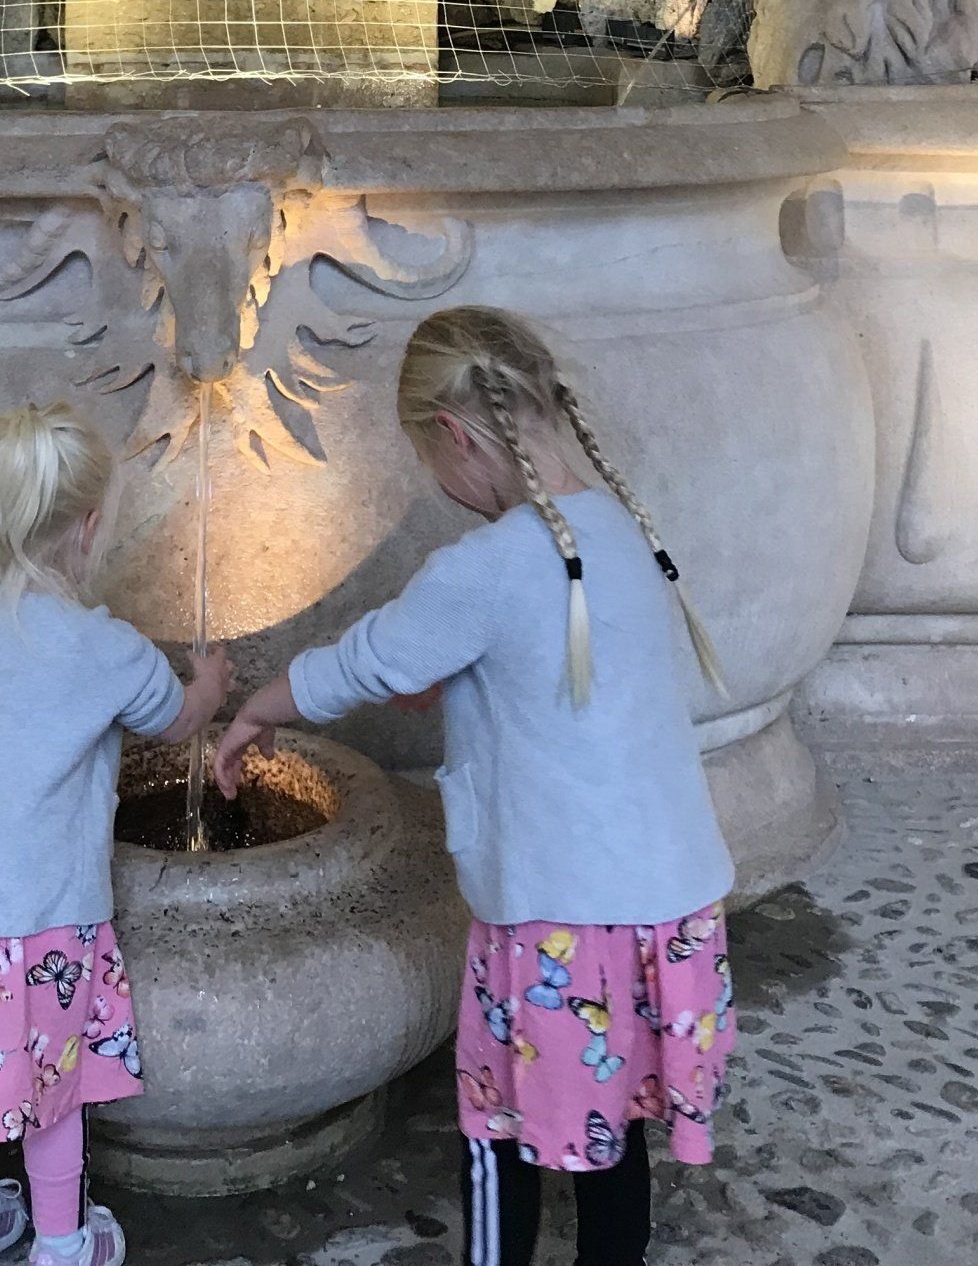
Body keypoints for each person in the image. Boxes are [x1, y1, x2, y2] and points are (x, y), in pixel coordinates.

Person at [214, 308, 736, 1266]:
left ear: (453, 435)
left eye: (425, 455)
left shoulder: (489, 565)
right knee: (612, 1123)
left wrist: (257, 711)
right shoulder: (623, 529)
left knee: (497, 1130)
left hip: (559, 920)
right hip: (666, 904)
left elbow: (365, 661)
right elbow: (547, 677)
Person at [0, 404, 230, 1266]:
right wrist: (213, 682)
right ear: (92, 525)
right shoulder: (102, 647)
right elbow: (179, 718)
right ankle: (65, 1243)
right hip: (39, 922)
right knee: (54, 1090)